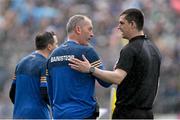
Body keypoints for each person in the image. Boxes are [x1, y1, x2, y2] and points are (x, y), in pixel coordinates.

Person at [69, 8, 162, 119]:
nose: (118, 27)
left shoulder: (130, 49)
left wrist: (90, 69)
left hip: (127, 114)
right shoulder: (154, 49)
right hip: (147, 113)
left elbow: (117, 78)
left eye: (122, 23)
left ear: (132, 24)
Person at [46, 15, 111, 119]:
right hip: (83, 114)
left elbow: (49, 91)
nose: (92, 34)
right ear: (78, 29)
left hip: (59, 115)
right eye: (89, 29)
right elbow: (106, 82)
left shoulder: (52, 56)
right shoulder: (87, 52)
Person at [9, 31, 58, 119]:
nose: (57, 47)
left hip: (18, 115)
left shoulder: (20, 63)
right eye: (56, 44)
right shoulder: (45, 64)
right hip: (38, 115)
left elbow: (12, 93)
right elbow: (45, 92)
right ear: (49, 47)